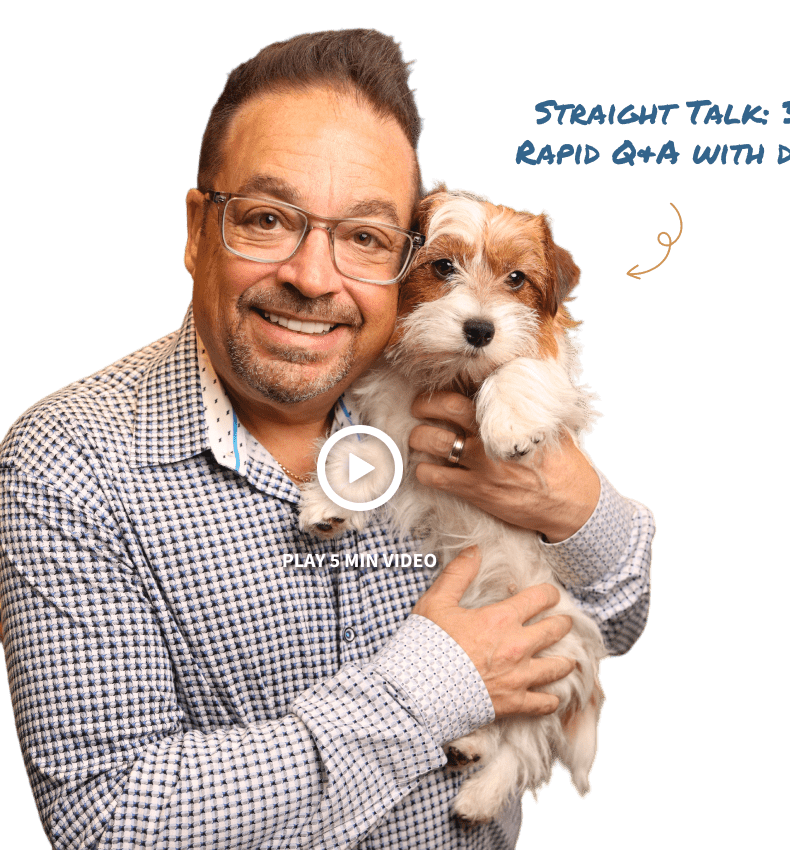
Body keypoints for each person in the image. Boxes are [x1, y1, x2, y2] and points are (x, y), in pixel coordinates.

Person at [0, 29, 653, 850]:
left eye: (365, 237)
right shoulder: (69, 464)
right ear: (199, 230)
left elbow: (618, 618)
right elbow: (109, 825)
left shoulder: (445, 382)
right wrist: (432, 686)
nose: (314, 278)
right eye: (270, 219)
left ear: (399, 257)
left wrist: (578, 506)